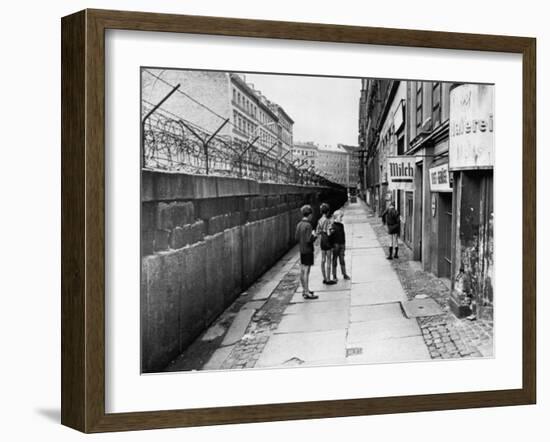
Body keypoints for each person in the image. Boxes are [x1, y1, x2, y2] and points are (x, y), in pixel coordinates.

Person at [295, 204, 318, 300]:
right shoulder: (308, 225)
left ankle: (304, 290)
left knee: (302, 270)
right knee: (307, 271)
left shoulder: (299, 224)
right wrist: (314, 235)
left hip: (302, 250)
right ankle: (307, 292)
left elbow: (296, 237)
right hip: (308, 250)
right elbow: (309, 239)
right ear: (309, 215)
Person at [316, 203, 336, 285]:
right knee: (328, 260)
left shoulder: (319, 220)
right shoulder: (328, 221)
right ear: (328, 211)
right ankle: (328, 279)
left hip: (322, 241)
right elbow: (329, 233)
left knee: (323, 260)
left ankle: (324, 278)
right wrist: (332, 231)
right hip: (327, 241)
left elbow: (317, 232)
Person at [329, 210, 350, 280]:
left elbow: (343, 235)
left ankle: (344, 274)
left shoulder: (341, 225)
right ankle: (334, 275)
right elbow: (331, 237)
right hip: (335, 245)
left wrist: (344, 244)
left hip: (341, 244)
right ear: (336, 217)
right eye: (340, 217)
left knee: (342, 260)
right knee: (334, 260)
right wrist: (331, 246)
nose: (341, 218)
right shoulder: (332, 226)